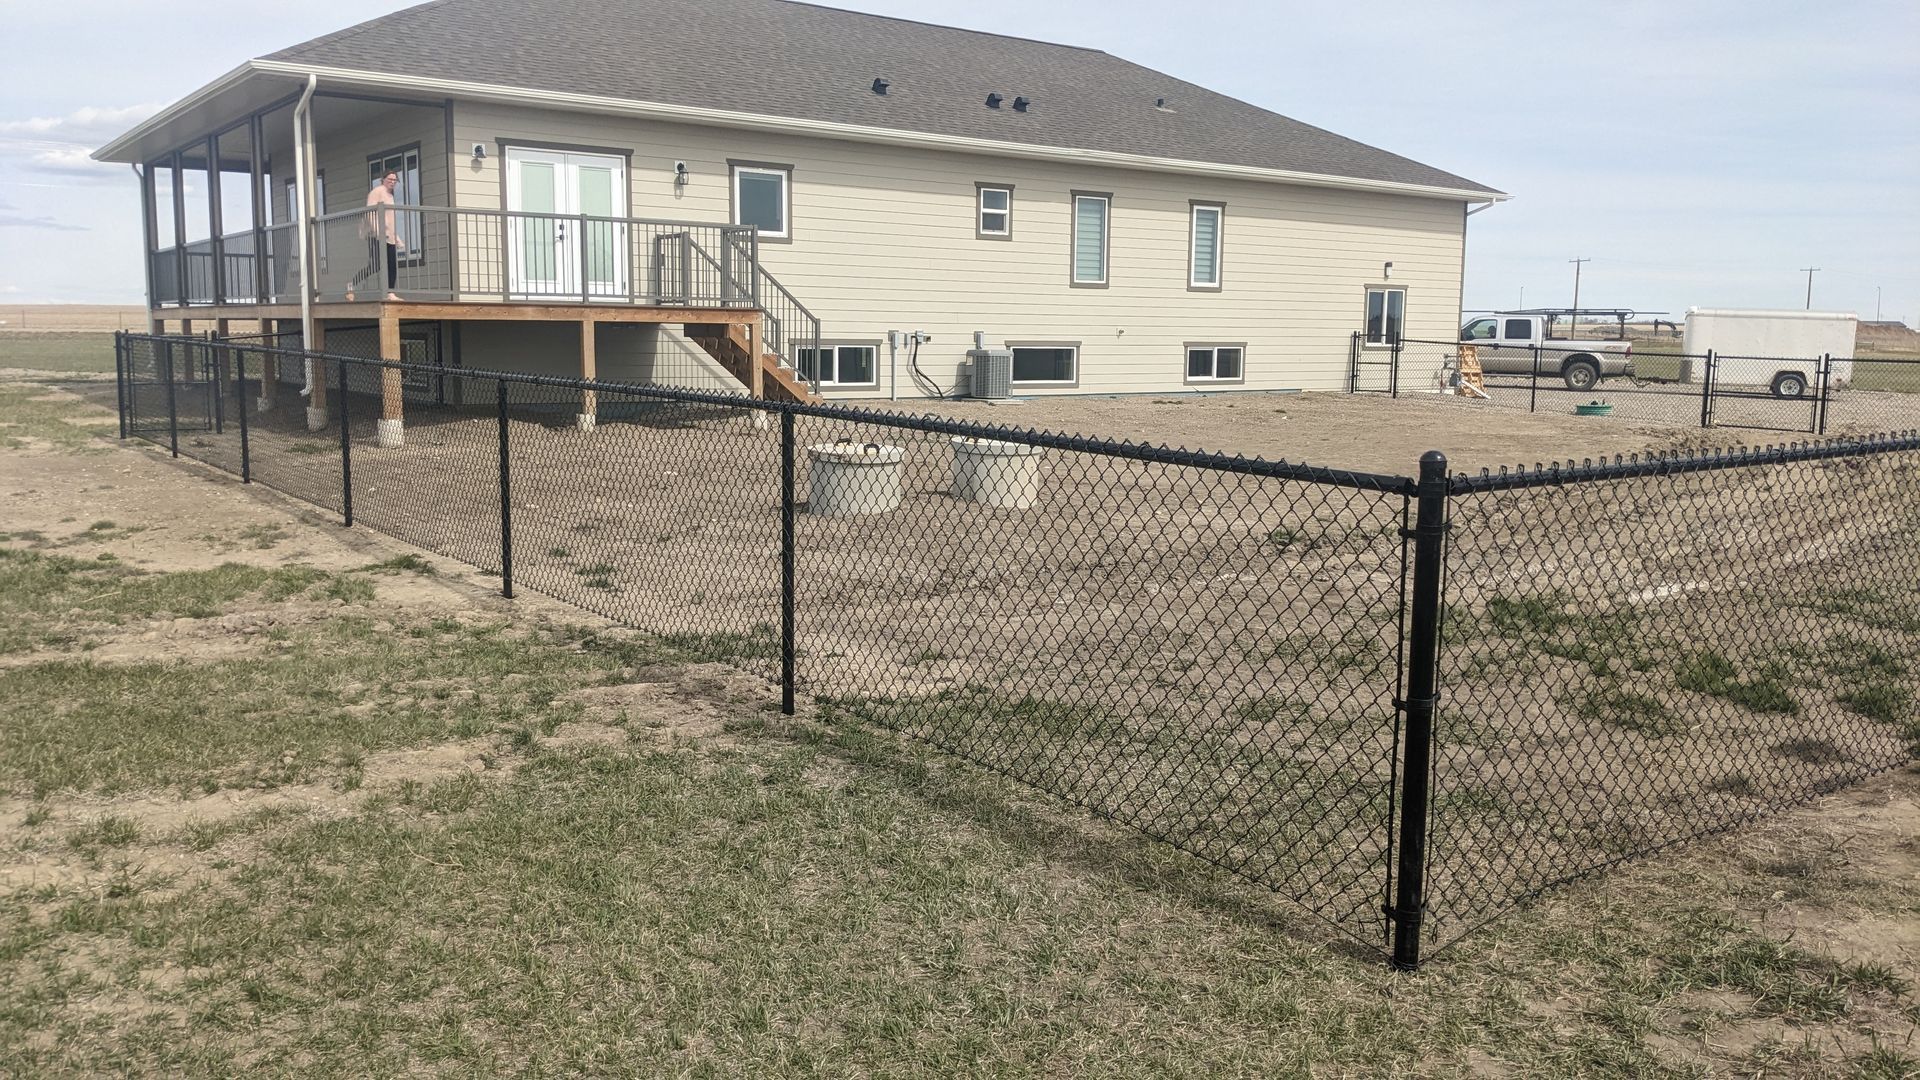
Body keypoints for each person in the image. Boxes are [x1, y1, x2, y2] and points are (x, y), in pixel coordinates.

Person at [348, 171, 401, 301]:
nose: (393, 182)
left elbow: (390, 219)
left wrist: (397, 237)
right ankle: (352, 284)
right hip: (376, 235)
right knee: (376, 265)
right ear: (383, 179)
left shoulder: (390, 195)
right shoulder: (377, 192)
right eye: (390, 179)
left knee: (392, 264)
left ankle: (390, 292)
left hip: (389, 236)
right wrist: (378, 232)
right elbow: (370, 212)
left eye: (395, 180)